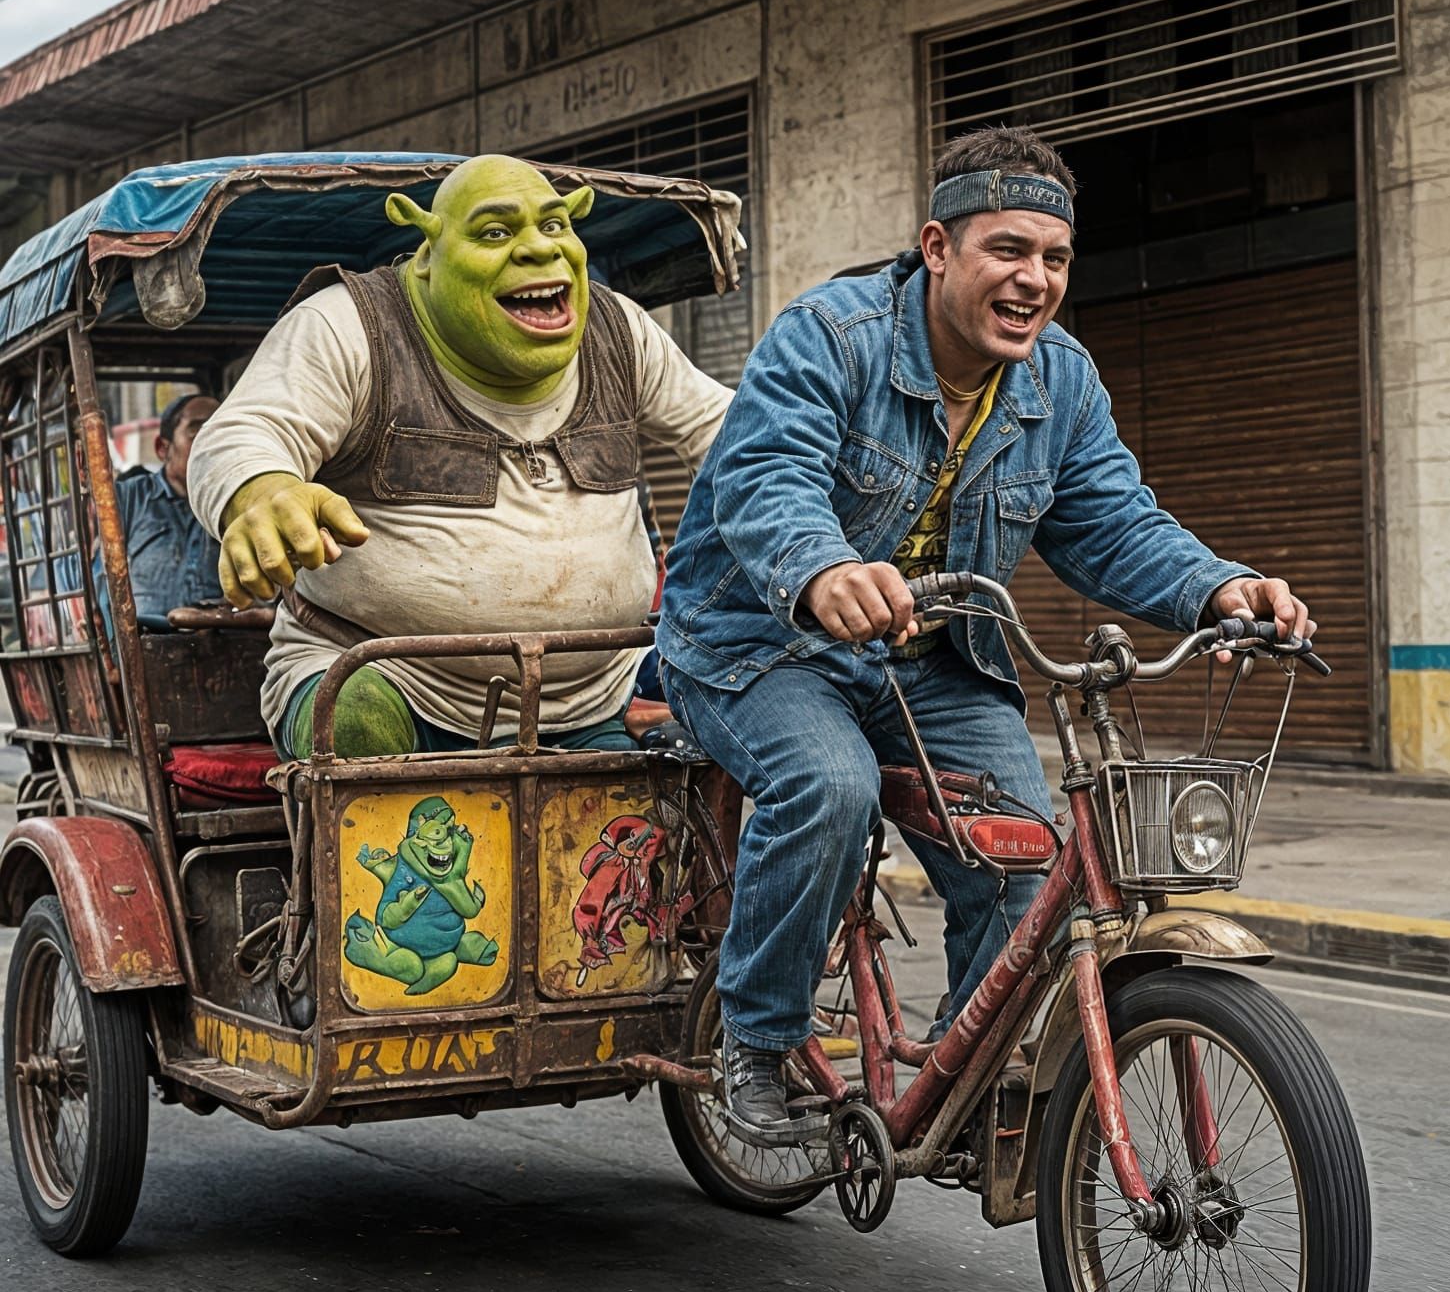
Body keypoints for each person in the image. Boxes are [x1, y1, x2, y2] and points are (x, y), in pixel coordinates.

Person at [656, 125, 1314, 1146]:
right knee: (829, 786)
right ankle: (758, 1037)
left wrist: (1221, 587)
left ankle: (969, 1081)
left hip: (933, 659)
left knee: (1026, 853)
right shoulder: (830, 336)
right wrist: (823, 569)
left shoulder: (1062, 382)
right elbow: (766, 476)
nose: (1033, 279)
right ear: (937, 247)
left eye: (1054, 257)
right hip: (757, 644)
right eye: (1008, 249)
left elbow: (1113, 523)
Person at [187, 155, 730, 759]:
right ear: (428, 255)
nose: (538, 249)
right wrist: (264, 492)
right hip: (390, 682)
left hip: (592, 698)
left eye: (554, 225)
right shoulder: (347, 324)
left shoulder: (618, 330)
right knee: (358, 722)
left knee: (709, 736)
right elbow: (244, 432)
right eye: (495, 232)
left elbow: (740, 441)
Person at [115, 393, 223, 624]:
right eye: (196, 431)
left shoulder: (233, 502)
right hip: (145, 638)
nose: (212, 442)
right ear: (163, 448)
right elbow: (101, 573)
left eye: (220, 430)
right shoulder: (130, 497)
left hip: (225, 636)